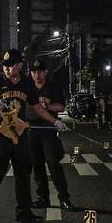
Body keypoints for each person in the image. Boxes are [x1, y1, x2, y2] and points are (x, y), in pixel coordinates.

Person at [0, 49, 68, 223]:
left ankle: (24, 213)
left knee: (23, 176)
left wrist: (55, 122)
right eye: (5, 66)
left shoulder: (27, 83)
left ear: (20, 65)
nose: (7, 70)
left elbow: (37, 107)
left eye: (11, 66)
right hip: (1, 137)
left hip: (22, 137)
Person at [27, 59, 75, 211]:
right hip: (31, 131)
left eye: (40, 71)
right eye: (34, 72)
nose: (37, 75)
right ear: (30, 73)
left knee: (54, 164)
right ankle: (43, 198)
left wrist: (45, 106)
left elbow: (61, 106)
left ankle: (64, 198)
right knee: (37, 166)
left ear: (45, 72)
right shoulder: (27, 89)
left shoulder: (52, 88)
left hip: (48, 130)